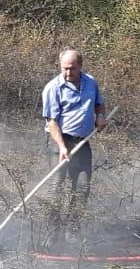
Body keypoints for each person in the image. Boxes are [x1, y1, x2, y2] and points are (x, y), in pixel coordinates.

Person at [40, 49, 107, 244]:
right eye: (64, 69)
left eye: (72, 68)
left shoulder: (91, 82)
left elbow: (99, 104)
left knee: (82, 187)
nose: (68, 73)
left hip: (83, 141)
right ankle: (51, 232)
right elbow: (51, 122)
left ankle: (72, 230)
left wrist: (100, 117)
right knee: (56, 186)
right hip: (59, 141)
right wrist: (62, 147)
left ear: (80, 66)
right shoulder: (53, 88)